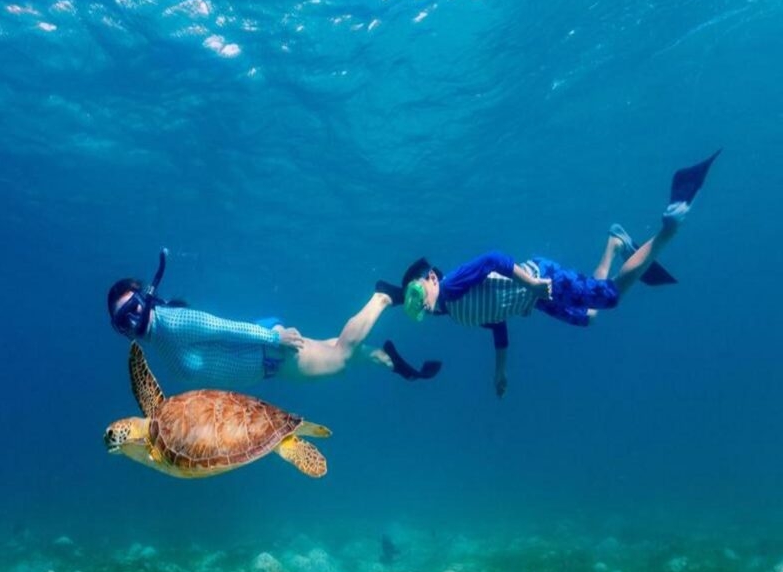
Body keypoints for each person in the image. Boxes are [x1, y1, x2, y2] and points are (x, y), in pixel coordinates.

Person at [378, 151, 719, 398]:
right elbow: (497, 324)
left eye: (417, 292)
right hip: (536, 300)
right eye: (415, 304)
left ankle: (669, 228)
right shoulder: (455, 312)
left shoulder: (452, 284)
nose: (420, 303)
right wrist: (500, 371)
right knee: (589, 317)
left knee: (610, 297)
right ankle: (614, 243)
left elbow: (493, 258)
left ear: (432, 279)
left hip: (542, 278)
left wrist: (533, 284)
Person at [108, 250, 441, 393]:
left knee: (339, 358)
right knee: (332, 351)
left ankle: (382, 297)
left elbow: (225, 327)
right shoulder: (160, 336)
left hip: (269, 351)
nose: (133, 321)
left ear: (145, 298)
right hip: (264, 360)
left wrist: (274, 339)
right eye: (123, 321)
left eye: (133, 308)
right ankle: (387, 360)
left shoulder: (172, 322)